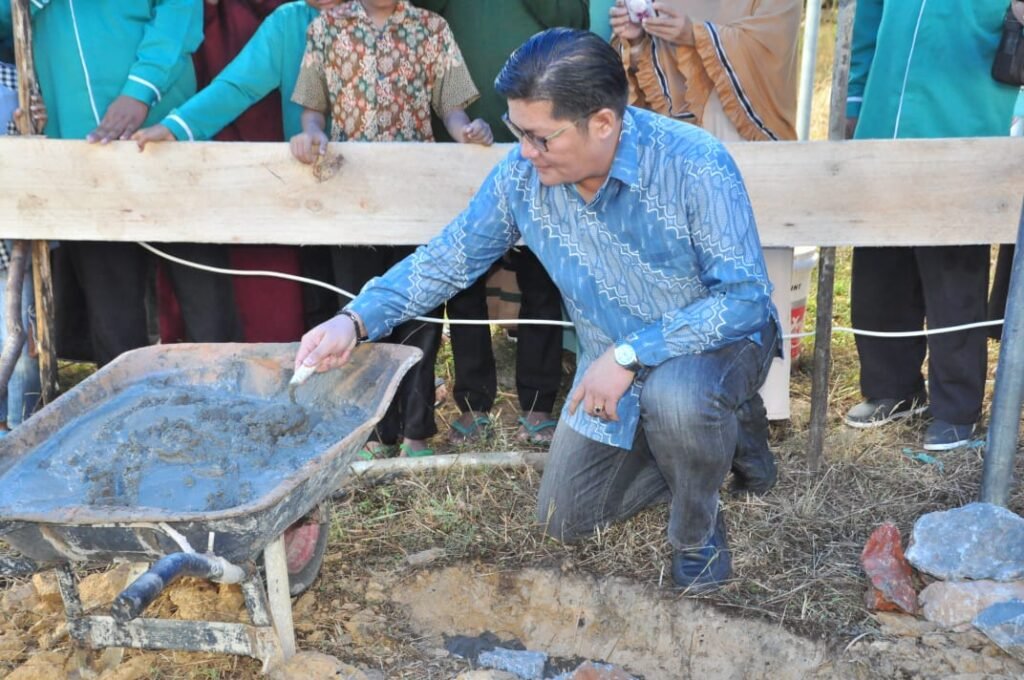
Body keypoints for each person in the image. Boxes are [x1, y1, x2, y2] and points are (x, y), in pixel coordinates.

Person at [293, 29, 779, 590]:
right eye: (516, 132)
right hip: (610, 362)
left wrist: (631, 354)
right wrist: (352, 320)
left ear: (603, 123)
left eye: (540, 137)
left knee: (679, 397)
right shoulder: (521, 177)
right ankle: (708, 441)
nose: (525, 151)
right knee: (565, 518)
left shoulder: (696, 164)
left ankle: (698, 531)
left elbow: (744, 299)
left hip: (714, 343)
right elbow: (447, 260)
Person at [609, 0, 800, 494]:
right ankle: (697, 438)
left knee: (740, 291)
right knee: (682, 289)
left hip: (740, 133)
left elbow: (773, 43)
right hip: (677, 148)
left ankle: (749, 433)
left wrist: (698, 33)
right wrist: (636, 39)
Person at [290, 0, 492, 458]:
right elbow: (312, 110)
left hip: (414, 195)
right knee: (356, 313)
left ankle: (417, 432)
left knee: (418, 316)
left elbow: (452, 108)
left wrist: (466, 131)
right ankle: (372, 433)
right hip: (352, 195)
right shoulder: (327, 27)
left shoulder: (432, 28)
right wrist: (312, 135)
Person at [0, 0, 241, 367]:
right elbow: (7, 29)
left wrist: (140, 91)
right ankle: (124, 419)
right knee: (113, 320)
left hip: (162, 137)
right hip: (80, 154)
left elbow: (180, 14)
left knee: (207, 306)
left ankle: (230, 411)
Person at [843, 0, 1019, 450]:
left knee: (953, 278)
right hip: (885, 121)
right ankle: (893, 389)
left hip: (968, 121)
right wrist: (857, 98)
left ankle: (956, 408)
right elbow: (868, 21)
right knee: (880, 267)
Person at [412, 0, 589, 446]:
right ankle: (473, 406)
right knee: (464, 284)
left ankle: (538, 405)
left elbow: (572, 21)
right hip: (462, 145)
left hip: (540, 147)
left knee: (543, 281)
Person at [0, 59, 46, 433]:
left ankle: (22, 433)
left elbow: (34, 150)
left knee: (23, 348)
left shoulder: (15, 78)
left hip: (11, 241)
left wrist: (37, 124)